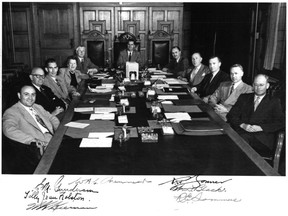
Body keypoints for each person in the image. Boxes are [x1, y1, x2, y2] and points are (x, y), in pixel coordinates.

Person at [227, 74, 284, 153]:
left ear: (267, 85)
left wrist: (261, 127)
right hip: (243, 132)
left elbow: (281, 122)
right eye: (256, 85)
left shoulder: (274, 101)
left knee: (239, 143)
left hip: (262, 138)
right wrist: (242, 125)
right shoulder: (244, 98)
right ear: (253, 85)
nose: (258, 88)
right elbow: (231, 115)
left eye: (261, 85)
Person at [2, 85, 60, 153]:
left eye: (33, 94)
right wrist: (32, 140)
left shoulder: (37, 106)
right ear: (19, 95)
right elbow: (8, 129)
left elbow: (52, 117)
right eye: (26, 94)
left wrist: (58, 130)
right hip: (43, 146)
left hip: (55, 138)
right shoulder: (12, 111)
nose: (30, 98)